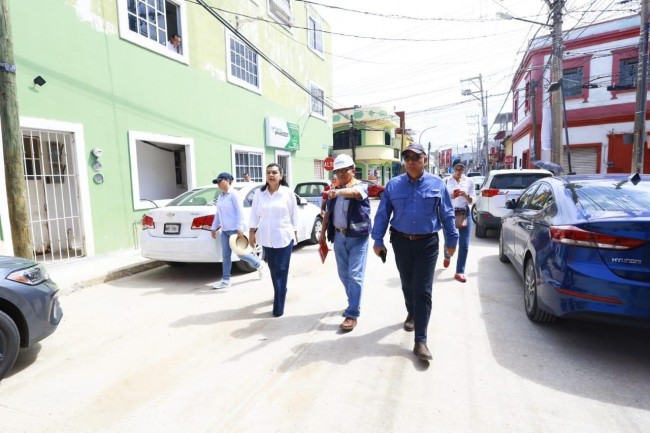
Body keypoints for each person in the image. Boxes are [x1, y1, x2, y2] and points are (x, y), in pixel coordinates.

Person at [371, 143, 458, 361]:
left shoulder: (437, 184)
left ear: (424, 160)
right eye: (406, 158)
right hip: (400, 242)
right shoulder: (393, 185)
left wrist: (452, 240)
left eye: (415, 158)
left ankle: (421, 340)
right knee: (407, 284)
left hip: (427, 243)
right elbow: (383, 214)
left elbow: (446, 214)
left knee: (423, 290)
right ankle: (411, 311)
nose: (410, 162)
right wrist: (378, 240)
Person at [319, 154, 371, 332]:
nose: (341, 174)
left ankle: (352, 313)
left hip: (358, 238)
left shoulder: (361, 186)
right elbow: (327, 213)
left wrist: (338, 191)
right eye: (338, 171)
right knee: (343, 275)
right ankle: (353, 303)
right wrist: (322, 234)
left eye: (344, 170)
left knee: (355, 275)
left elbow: (356, 194)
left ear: (353, 170)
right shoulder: (335, 189)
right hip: (339, 238)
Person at [249, 163, 298, 317]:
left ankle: (278, 307)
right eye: (269, 172)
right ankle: (281, 290)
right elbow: (254, 215)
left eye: (275, 172)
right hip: (266, 238)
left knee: (281, 271)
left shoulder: (288, 193)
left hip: (284, 237)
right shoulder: (259, 194)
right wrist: (251, 232)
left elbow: (294, 214)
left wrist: (295, 233)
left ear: (280, 176)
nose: (271, 175)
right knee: (273, 269)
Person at [210, 172, 265, 289]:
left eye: (219, 181)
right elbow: (218, 214)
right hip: (225, 231)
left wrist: (240, 228)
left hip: (236, 231)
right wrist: (214, 227)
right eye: (217, 183)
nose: (218, 184)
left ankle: (259, 264)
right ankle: (226, 280)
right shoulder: (221, 196)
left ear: (227, 180)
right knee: (225, 256)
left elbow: (240, 212)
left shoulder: (234, 195)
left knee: (241, 255)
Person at [442, 159, 476, 283]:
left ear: (464, 169)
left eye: (461, 169)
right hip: (449, 213)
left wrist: (465, 196)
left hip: (464, 213)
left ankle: (460, 271)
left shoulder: (469, 181)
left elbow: (473, 200)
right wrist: (451, 196)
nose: (458, 171)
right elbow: (441, 199)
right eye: (456, 168)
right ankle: (447, 255)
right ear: (452, 169)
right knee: (449, 242)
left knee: (464, 244)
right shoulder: (445, 181)